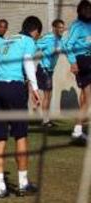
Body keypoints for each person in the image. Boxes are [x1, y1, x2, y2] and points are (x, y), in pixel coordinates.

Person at [0, 16, 42, 198]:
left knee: (0, 139)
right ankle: (22, 184)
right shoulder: (28, 41)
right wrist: (35, 88)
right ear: (35, 32)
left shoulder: (5, 41)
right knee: (20, 136)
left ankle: (0, 187)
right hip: (13, 88)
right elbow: (28, 63)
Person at [64, 0, 91, 144]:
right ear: (79, 11)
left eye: (89, 8)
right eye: (84, 9)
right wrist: (73, 62)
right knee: (88, 97)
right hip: (83, 61)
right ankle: (77, 131)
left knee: (87, 98)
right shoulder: (77, 25)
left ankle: (78, 130)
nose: (88, 11)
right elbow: (67, 44)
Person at [36, 19, 65, 127]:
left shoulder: (60, 39)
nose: (62, 29)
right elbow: (36, 45)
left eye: (63, 27)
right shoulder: (48, 38)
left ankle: (46, 119)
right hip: (44, 68)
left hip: (50, 70)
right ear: (54, 28)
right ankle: (45, 120)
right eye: (60, 27)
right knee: (47, 95)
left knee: (49, 95)